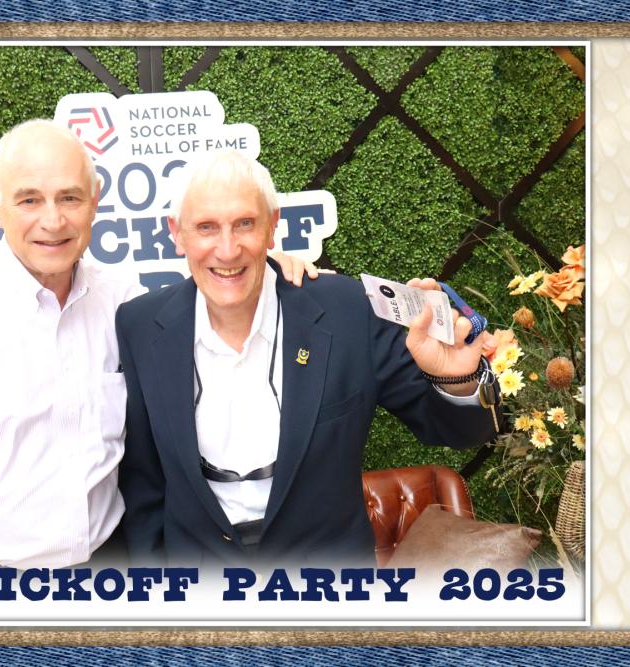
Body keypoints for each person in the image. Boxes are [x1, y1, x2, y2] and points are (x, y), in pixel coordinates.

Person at [0, 121, 317, 582]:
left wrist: (269, 271)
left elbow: (215, 286)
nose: (53, 221)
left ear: (95, 199)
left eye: (70, 198)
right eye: (29, 199)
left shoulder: (126, 305)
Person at [115, 149, 499, 567]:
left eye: (245, 224)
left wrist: (456, 381)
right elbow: (143, 483)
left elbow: (463, 431)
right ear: (177, 233)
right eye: (206, 227)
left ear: (272, 226)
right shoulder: (139, 325)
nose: (227, 249)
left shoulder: (347, 310)